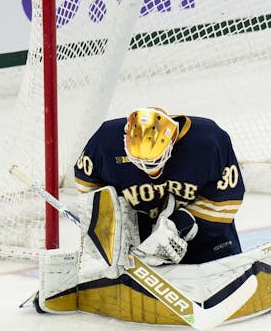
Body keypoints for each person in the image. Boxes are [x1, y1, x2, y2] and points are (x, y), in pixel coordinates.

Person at [73, 107, 243, 265]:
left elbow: (227, 198)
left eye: (155, 160)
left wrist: (182, 225)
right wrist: (114, 223)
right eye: (138, 161)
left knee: (227, 279)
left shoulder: (210, 141)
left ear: (171, 141)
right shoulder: (105, 142)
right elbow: (87, 186)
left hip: (204, 237)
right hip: (138, 241)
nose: (148, 169)